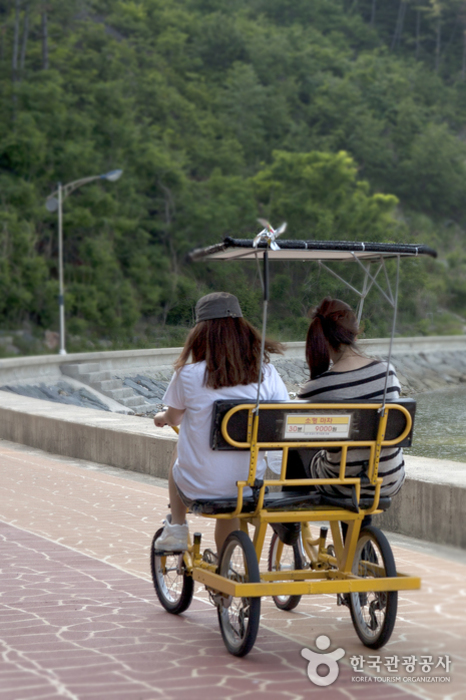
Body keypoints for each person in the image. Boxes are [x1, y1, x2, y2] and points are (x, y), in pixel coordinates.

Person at [153, 291, 289, 554]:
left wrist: (161, 419)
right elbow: (281, 417)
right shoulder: (266, 372)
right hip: (248, 485)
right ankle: (228, 572)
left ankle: (178, 526)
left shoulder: (188, 374)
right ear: (242, 330)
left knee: (178, 449)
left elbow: (173, 417)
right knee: (232, 508)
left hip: (199, 486)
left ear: (201, 333)